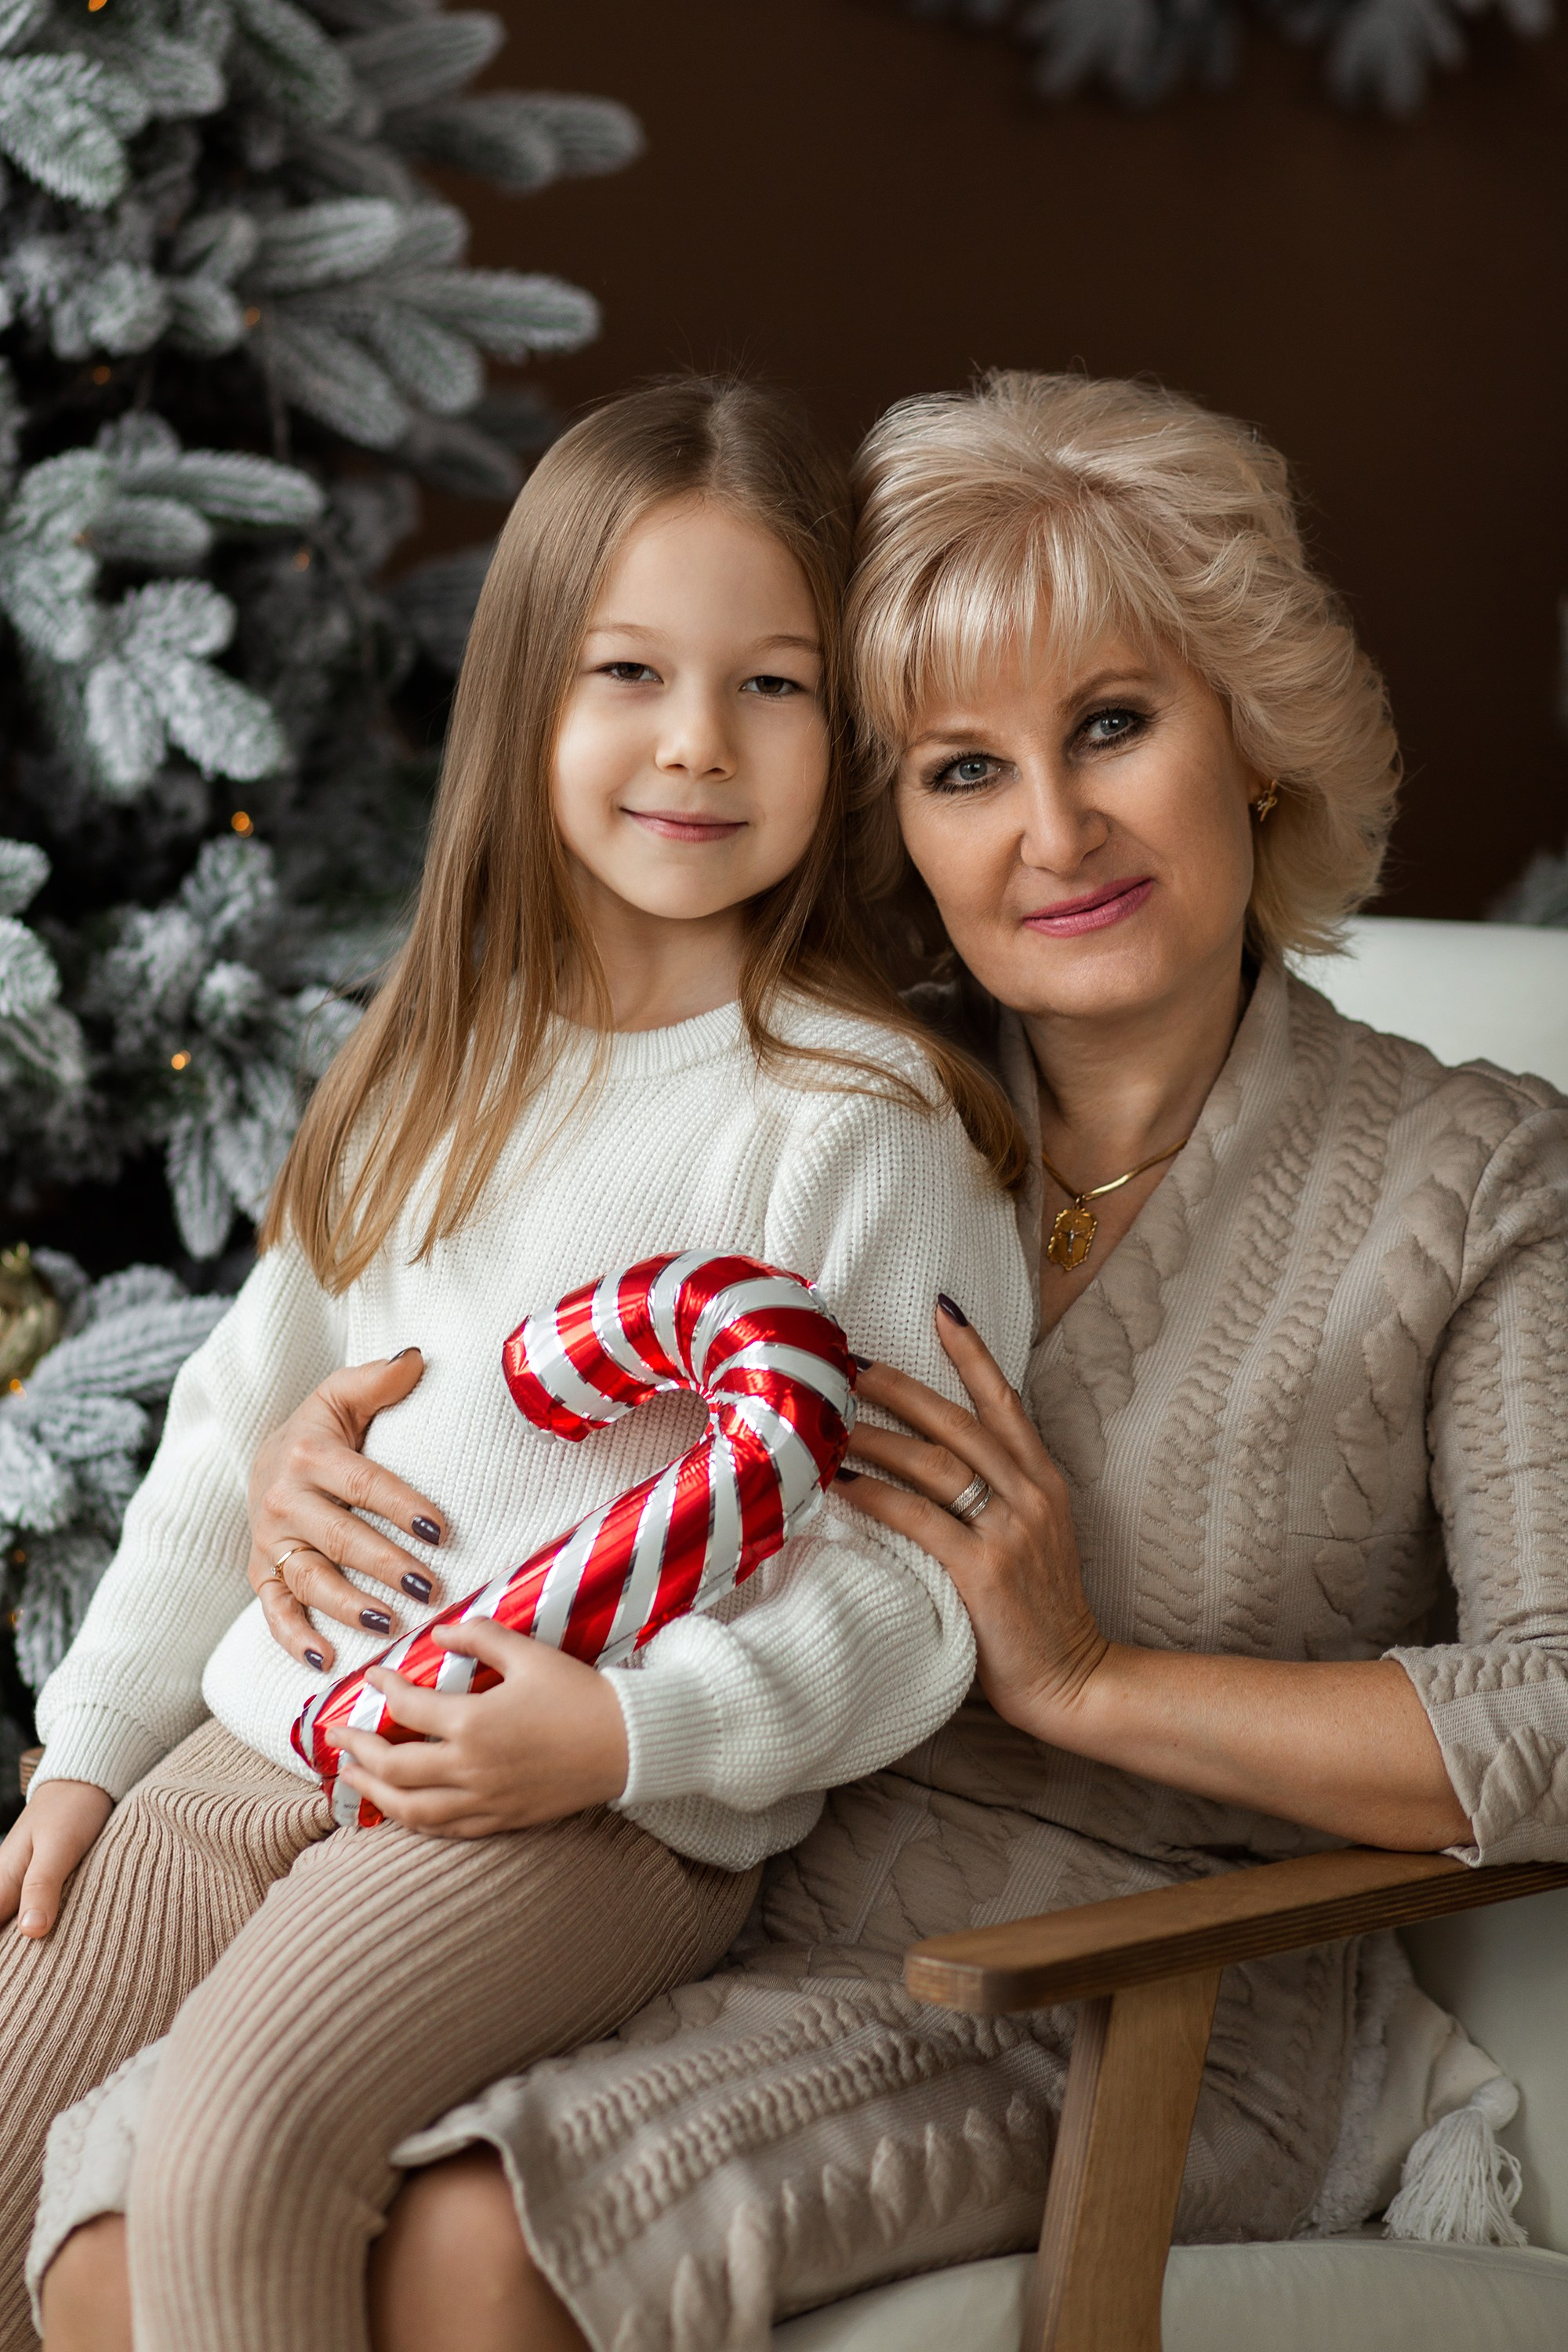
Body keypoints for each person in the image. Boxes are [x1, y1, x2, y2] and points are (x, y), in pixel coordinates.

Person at [40, 369, 1568, 2352]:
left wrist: (1089, 1680)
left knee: (455, 2264)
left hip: (1115, 1986)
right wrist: (299, 1476)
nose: (1053, 830)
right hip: (693, 1887)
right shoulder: (834, 1108)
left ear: (1252, 743)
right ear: (891, 816)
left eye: (1111, 725)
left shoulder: (1476, 1182)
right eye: (959, 769)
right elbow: (436, 1337)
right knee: (108, 2246)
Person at [0, 376, 1033, 2352]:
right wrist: (91, 1752)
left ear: (855, 731)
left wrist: (631, 1735)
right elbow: (238, 1424)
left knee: (228, 2150)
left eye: (775, 687)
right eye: (626, 670)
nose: (693, 745)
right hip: (261, 1745)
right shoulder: (435, 1061)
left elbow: (914, 1587)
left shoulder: (853, 1123)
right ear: (527, 701)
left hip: (576, 1812)